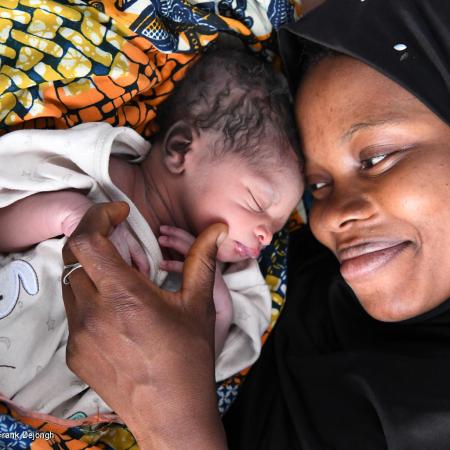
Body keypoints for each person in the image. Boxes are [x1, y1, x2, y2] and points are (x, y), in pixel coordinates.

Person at [57, 0, 450, 448]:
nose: (332, 217)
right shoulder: (301, 281)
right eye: (317, 186)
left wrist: (173, 422)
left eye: (377, 159)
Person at [0, 47, 302, 418]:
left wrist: (216, 309)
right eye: (258, 202)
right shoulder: (101, 175)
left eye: (276, 226)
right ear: (181, 150)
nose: (267, 236)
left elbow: (191, 376)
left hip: (36, 425)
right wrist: (71, 214)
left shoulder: (204, 282)